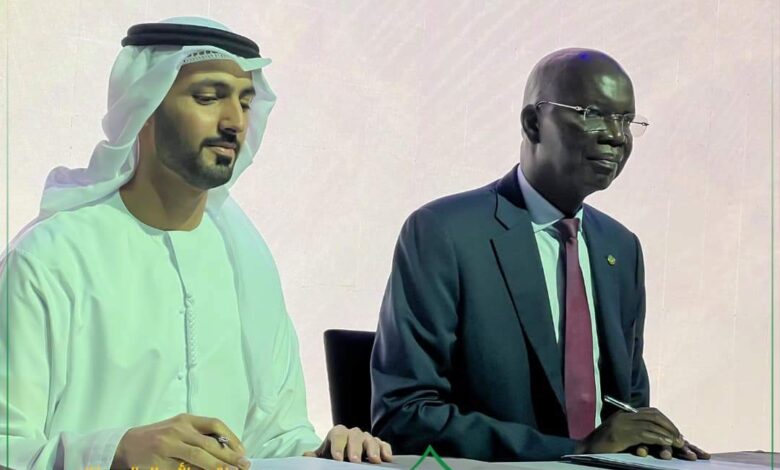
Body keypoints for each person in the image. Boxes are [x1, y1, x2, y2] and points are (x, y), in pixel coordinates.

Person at [0, 17, 391, 470]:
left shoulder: (245, 258)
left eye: (245, 102)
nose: (235, 122)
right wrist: (115, 453)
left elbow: (272, 436)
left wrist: (325, 452)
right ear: (145, 105)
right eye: (208, 98)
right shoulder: (51, 260)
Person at [370, 48, 710, 462]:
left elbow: (628, 407)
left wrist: (649, 438)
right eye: (593, 114)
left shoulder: (621, 248)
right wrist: (573, 451)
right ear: (533, 123)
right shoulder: (444, 233)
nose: (616, 136)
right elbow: (405, 416)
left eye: (626, 121)